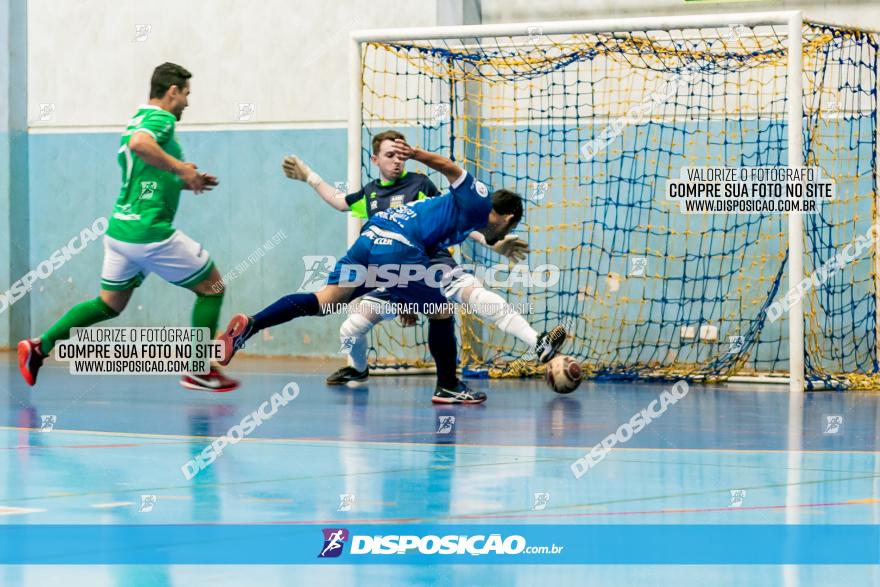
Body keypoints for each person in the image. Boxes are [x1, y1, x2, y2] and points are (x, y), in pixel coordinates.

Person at [218, 138, 565, 404]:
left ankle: (251, 324)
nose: (506, 234)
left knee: (324, 300)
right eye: (508, 229)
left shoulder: (460, 218)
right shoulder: (478, 198)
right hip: (399, 245)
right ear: (506, 218)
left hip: (372, 236)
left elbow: (453, 233)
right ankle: (447, 386)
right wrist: (416, 153)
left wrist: (409, 298)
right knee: (442, 311)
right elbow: (450, 168)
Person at [18, 62, 238, 392]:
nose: (188, 103)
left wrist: (183, 179)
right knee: (213, 287)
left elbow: (142, 173)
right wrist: (181, 168)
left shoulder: (136, 118)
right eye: (187, 94)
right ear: (172, 91)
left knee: (109, 304)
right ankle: (198, 370)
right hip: (148, 233)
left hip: (120, 232)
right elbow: (140, 145)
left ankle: (39, 346)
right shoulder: (159, 119)